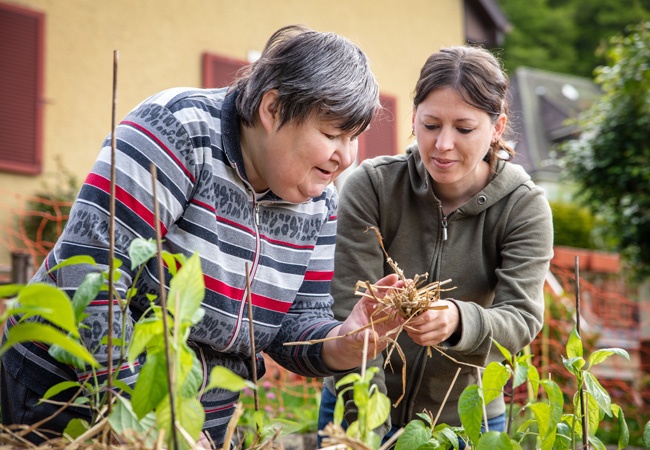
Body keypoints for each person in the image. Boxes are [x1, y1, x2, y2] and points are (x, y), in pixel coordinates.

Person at [0, 24, 404, 448]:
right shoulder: (175, 130)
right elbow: (90, 272)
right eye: (331, 134)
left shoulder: (319, 200)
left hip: (198, 426)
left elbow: (294, 323)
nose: (346, 156)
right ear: (273, 109)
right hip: (75, 402)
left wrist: (340, 343)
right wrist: (142, 421)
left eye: (354, 137)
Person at [318, 45, 554, 447]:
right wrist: (364, 430)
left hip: (461, 422)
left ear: (497, 128)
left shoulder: (524, 207)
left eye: (463, 129)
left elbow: (521, 318)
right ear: (413, 119)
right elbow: (349, 310)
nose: (443, 144)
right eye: (430, 125)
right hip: (359, 406)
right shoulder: (373, 187)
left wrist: (461, 321)